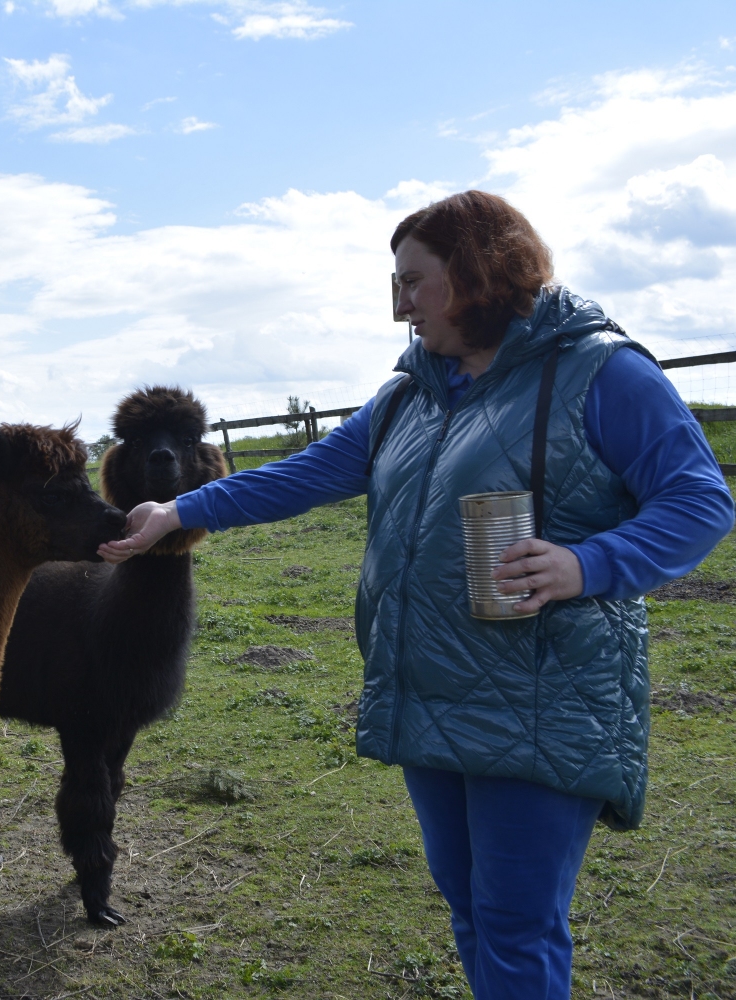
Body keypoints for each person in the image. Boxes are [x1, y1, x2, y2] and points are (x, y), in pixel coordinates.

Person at [99, 190, 733, 1000]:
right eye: (393, 282)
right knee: (470, 909)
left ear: (477, 271)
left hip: (540, 690)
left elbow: (698, 500)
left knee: (516, 924)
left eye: (412, 281)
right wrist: (180, 510)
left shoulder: (600, 371)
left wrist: (587, 565)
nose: (398, 303)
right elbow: (311, 472)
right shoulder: (413, 391)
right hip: (429, 686)